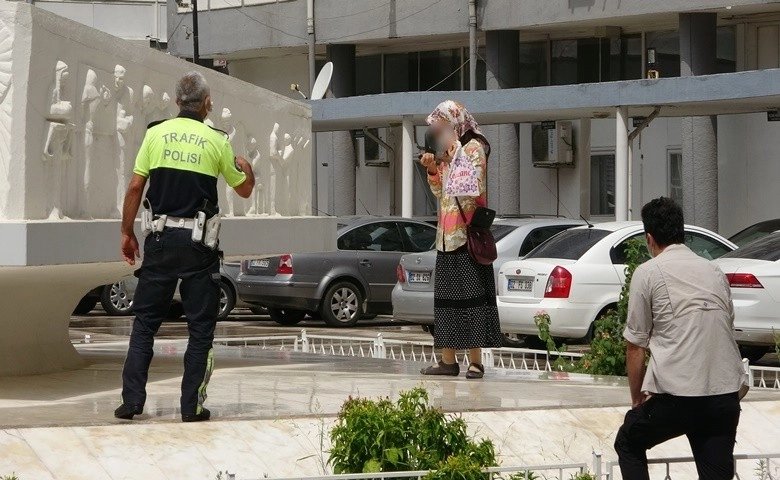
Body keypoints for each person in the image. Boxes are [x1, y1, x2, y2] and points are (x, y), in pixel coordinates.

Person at [116, 71, 255, 422]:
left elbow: (135, 188)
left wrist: (127, 233)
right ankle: (190, 407)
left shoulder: (155, 134)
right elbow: (244, 189)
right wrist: (247, 168)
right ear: (207, 104)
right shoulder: (217, 140)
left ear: (177, 102)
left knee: (145, 323)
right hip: (198, 246)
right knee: (200, 328)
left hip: (159, 241)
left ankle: (132, 403)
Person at [614, 197, 745, 480]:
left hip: (678, 397)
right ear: (682, 232)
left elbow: (635, 345)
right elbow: (726, 325)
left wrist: (637, 399)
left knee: (628, 441)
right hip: (724, 395)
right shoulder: (714, 270)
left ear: (649, 239)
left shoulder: (648, 272)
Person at [419, 100, 503, 379]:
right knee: (446, 301)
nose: (439, 133)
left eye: (442, 127)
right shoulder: (448, 152)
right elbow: (442, 192)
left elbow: (471, 187)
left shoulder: (474, 148)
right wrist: (433, 169)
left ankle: (476, 361)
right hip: (445, 236)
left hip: (466, 237)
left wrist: (455, 157)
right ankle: (447, 360)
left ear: (455, 124)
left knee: (472, 300)